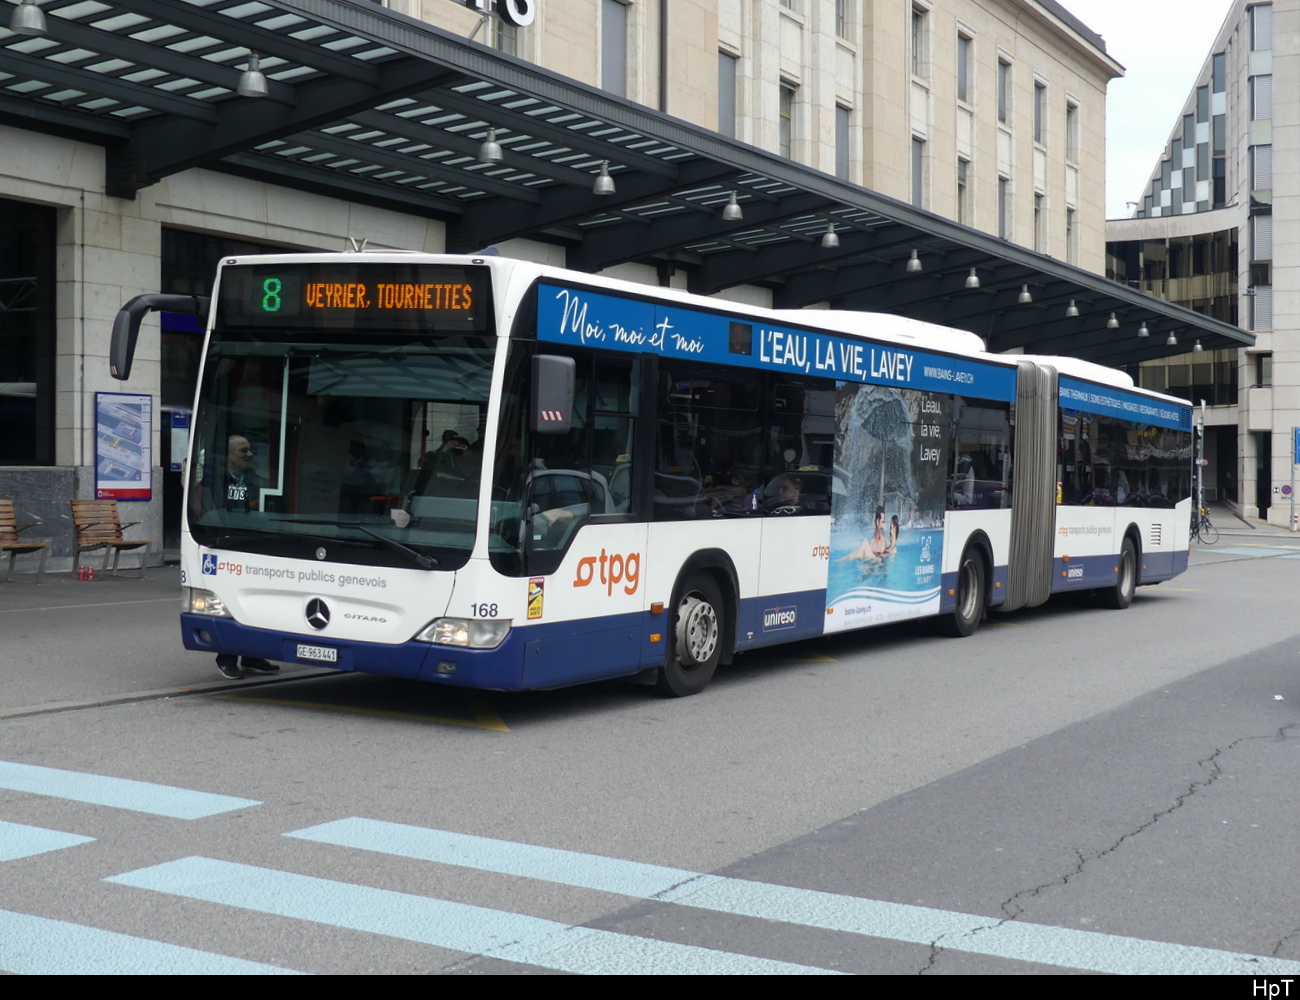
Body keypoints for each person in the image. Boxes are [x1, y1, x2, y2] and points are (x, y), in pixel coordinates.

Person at [215, 434, 279, 679]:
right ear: (230, 454)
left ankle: (252, 657)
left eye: (250, 450)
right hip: (228, 545)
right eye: (244, 451)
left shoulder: (252, 481)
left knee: (257, 601)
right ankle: (227, 659)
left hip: (252, 545)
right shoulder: (216, 481)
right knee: (230, 603)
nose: (250, 455)